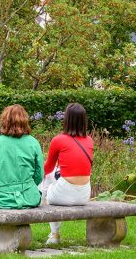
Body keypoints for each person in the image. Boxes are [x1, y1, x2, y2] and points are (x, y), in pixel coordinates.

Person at [41, 102, 94, 245]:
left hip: (62, 195)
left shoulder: (58, 140)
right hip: (84, 195)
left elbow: (47, 168)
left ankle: (54, 234)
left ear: (67, 119)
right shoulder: (90, 140)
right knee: (55, 175)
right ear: (84, 120)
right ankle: (53, 234)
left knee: (47, 179)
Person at [0, 104, 44, 209]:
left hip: (1, 199)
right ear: (25, 121)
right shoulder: (33, 142)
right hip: (29, 198)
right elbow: (39, 174)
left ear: (4, 121)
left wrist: (3, 179)